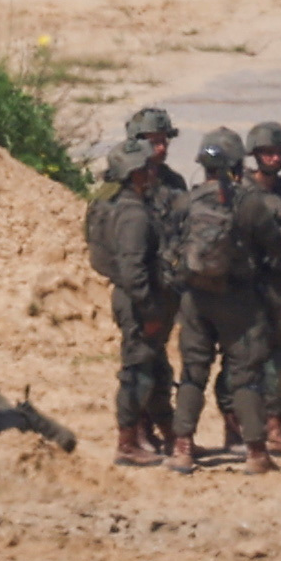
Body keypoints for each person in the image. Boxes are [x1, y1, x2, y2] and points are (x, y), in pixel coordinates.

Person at [169, 128, 276, 468]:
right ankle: (257, 452)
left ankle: (182, 448)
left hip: (195, 299)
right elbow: (275, 245)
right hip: (238, 301)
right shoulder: (248, 202)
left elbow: (170, 247)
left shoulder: (186, 201)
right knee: (245, 375)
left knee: (192, 373)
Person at [85, 106, 184, 465]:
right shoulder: (124, 203)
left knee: (155, 367)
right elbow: (125, 258)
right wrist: (146, 303)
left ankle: (164, 434)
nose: (159, 149)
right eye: (151, 142)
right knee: (140, 367)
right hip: (140, 294)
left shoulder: (170, 184)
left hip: (161, 289)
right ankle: (132, 438)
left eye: (163, 141)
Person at [236, 120, 281, 462]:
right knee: (246, 359)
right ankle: (241, 430)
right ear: (254, 155)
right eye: (266, 152)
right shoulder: (242, 192)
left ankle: (276, 428)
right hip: (247, 284)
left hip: (278, 282)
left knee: (279, 359)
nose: (272, 157)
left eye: (277, 152)